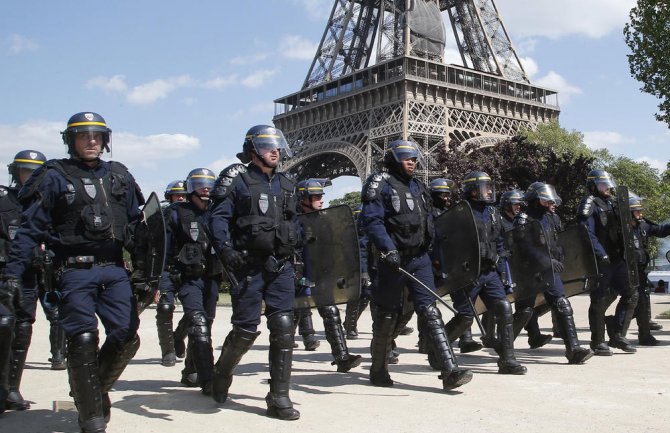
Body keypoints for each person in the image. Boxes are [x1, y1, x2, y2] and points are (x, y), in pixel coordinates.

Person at [1, 112, 145, 433]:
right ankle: (90, 413)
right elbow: (29, 231)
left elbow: (140, 228)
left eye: (96, 136)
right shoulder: (54, 176)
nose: (91, 141)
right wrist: (12, 275)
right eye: (83, 136)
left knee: (126, 337)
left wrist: (151, 274)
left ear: (105, 140)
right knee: (81, 338)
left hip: (114, 270)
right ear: (71, 140)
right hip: (74, 270)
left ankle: (91, 389)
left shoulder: (119, 176)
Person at [361, 139, 472, 390]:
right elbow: (372, 221)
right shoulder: (379, 183)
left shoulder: (419, 186)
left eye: (414, 157)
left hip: (419, 258)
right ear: (393, 159)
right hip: (392, 260)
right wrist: (387, 250)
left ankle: (449, 370)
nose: (412, 161)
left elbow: (430, 223)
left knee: (430, 310)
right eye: (406, 157)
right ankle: (378, 369)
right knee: (388, 316)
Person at [207, 125, 300, 420]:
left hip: (280, 265)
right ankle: (222, 373)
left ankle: (279, 396)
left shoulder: (287, 183)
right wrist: (226, 251)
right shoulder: (236, 179)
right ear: (252, 150)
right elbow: (217, 219)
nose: (275, 150)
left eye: (276, 145)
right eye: (266, 146)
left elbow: (294, 221)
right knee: (245, 331)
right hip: (248, 265)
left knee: (284, 328)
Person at [445, 171, 527, 375]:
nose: (489, 191)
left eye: (490, 187)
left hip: (490, 272)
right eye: (485, 188)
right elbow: (449, 245)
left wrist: (502, 265)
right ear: (472, 191)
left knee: (504, 308)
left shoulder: (493, 213)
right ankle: (437, 349)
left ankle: (507, 360)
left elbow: (499, 240)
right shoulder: (459, 212)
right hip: (468, 274)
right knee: (465, 317)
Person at [514, 182, 593, 363]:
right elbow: (523, 246)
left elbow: (559, 241)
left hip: (550, 272)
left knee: (562, 304)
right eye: (545, 199)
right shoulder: (523, 219)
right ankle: (505, 347)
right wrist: (545, 260)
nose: (550, 202)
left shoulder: (552, 218)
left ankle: (573, 349)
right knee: (525, 312)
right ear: (535, 199)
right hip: (530, 273)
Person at [294, 179, 362, 372]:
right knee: (288, 320)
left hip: (319, 275)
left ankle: (342, 357)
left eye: (321, 196)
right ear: (303, 198)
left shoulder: (324, 220)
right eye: (316, 196)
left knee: (331, 313)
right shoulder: (291, 221)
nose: (321, 200)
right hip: (296, 277)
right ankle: (280, 361)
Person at [165, 169, 221, 393]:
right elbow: (165, 249)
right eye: (200, 184)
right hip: (189, 277)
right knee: (199, 323)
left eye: (209, 184)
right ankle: (208, 378)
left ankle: (190, 372)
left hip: (213, 277)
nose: (205, 188)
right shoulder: (176, 213)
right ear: (190, 188)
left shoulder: (219, 212)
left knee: (206, 323)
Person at [577, 169, 638, 355]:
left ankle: (618, 334)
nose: (607, 187)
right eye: (603, 184)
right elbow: (586, 232)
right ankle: (597, 341)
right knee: (599, 299)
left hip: (618, 258)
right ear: (593, 186)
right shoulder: (590, 202)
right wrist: (600, 254)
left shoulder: (613, 203)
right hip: (600, 259)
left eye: (608, 184)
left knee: (631, 293)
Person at [617, 193, 670, 345]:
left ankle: (645, 335)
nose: (641, 214)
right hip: (624, 271)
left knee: (643, 300)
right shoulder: (621, 229)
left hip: (639, 271)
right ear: (629, 213)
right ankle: (617, 332)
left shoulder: (643, 225)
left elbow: (660, 230)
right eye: (637, 211)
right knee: (632, 300)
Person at [155, 180, 187, 367]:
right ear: (170, 197)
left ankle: (177, 337)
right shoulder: (161, 217)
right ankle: (167, 351)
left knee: (194, 312)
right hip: (166, 268)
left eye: (183, 194)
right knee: (165, 308)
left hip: (189, 269)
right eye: (177, 195)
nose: (181, 198)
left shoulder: (196, 215)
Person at [343, 204, 371, 340]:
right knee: (355, 297)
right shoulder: (348, 234)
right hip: (352, 269)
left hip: (366, 268)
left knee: (366, 296)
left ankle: (349, 322)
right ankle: (350, 327)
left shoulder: (367, 233)